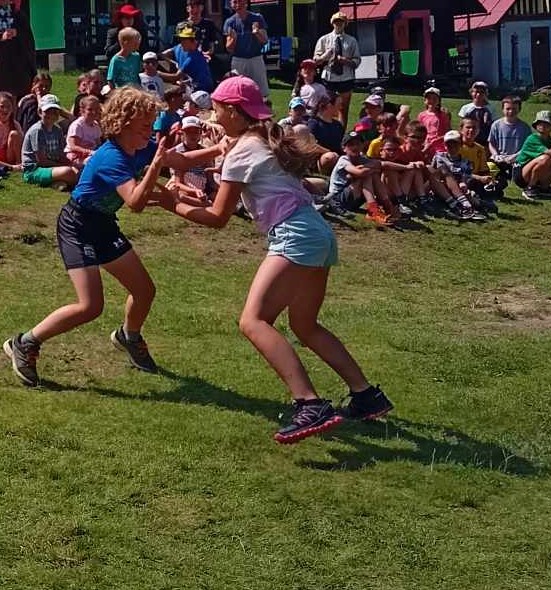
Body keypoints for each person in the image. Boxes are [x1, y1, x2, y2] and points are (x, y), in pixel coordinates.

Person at [168, 75, 391, 444]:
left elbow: (218, 217)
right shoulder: (257, 138)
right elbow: (199, 152)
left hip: (295, 236)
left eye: (217, 109)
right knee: (305, 325)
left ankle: (310, 403)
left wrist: (170, 202)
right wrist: (170, 157)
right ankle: (366, 396)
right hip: (317, 232)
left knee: (253, 321)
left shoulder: (242, 152)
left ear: (234, 112)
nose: (212, 116)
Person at [3, 86, 176, 386]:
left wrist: (221, 150)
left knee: (144, 291)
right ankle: (25, 342)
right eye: (145, 125)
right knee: (90, 306)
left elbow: (178, 160)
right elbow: (135, 202)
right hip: (78, 225)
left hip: (103, 224)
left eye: (152, 124)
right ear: (124, 124)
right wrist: (156, 166)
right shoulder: (112, 157)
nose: (151, 131)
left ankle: (129, 336)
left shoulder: (140, 146)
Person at [324, 124, 396, 226]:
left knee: (373, 174)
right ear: (344, 148)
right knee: (366, 175)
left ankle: (388, 206)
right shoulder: (343, 160)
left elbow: (382, 164)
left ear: (362, 146)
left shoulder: (362, 159)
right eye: (351, 144)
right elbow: (360, 172)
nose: (355, 147)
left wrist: (408, 167)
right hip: (339, 200)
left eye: (358, 144)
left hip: (354, 199)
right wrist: (373, 166)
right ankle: (373, 210)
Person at [21, 92, 79, 188]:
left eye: (55, 112)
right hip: (34, 170)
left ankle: (56, 182)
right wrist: (64, 167)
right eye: (48, 111)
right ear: (40, 112)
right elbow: (41, 161)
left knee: (77, 170)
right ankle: (59, 180)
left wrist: (71, 163)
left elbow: (61, 154)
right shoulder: (37, 130)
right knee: (68, 172)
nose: (52, 115)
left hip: (51, 166)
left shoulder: (58, 130)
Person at [222, 0, 271, 99]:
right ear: (231, 4)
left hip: (255, 58)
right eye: (235, 2)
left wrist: (257, 32)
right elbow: (229, 48)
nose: (238, 5)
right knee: (239, 92)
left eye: (240, 1)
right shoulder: (230, 22)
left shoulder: (257, 18)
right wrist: (234, 39)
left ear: (245, 2)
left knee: (261, 93)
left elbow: (265, 40)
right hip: (238, 60)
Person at [312, 11, 360, 122]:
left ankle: (341, 130)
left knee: (343, 109)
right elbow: (316, 60)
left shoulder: (351, 41)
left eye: (341, 22)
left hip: (346, 78)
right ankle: (329, 128)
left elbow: (357, 60)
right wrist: (325, 56)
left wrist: (345, 61)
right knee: (328, 106)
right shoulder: (324, 40)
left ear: (345, 24)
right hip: (329, 78)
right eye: (336, 22)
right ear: (332, 23)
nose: (338, 24)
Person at [430, 130, 488, 221]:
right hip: (441, 187)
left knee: (470, 195)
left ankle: (472, 206)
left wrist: (463, 183)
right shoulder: (438, 157)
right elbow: (432, 172)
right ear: (445, 146)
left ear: (461, 145)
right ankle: (466, 207)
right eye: (449, 145)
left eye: (455, 145)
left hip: (459, 189)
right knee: (443, 171)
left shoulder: (465, 162)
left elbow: (466, 177)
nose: (452, 148)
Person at [487, 94, 529, 191]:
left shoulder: (524, 127)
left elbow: (526, 147)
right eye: (508, 109)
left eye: (514, 109)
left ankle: (508, 175)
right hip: (500, 157)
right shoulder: (496, 125)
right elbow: (491, 143)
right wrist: (495, 154)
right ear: (503, 109)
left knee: (518, 175)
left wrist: (515, 157)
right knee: (489, 164)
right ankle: (499, 178)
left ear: (519, 109)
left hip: (516, 159)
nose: (511, 111)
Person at [65, 90, 103, 171]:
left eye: (96, 109)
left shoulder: (95, 125)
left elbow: (98, 144)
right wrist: (90, 152)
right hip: (75, 156)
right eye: (90, 109)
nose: (94, 112)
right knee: (93, 161)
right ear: (82, 111)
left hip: (90, 154)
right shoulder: (78, 125)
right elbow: (73, 146)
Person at [172, 28, 212, 93]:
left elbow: (176, 77)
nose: (181, 44)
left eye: (184, 42)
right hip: (199, 87)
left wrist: (158, 73)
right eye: (181, 41)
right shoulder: (195, 54)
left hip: (201, 91)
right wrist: (185, 82)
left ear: (194, 42)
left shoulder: (192, 58)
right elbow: (195, 78)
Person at [416, 85, 451, 149]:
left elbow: (447, 132)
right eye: (429, 98)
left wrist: (438, 139)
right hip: (425, 144)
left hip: (439, 146)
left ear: (439, 100)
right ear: (425, 100)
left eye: (434, 98)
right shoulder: (421, 115)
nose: (431, 101)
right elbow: (418, 131)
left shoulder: (443, 115)